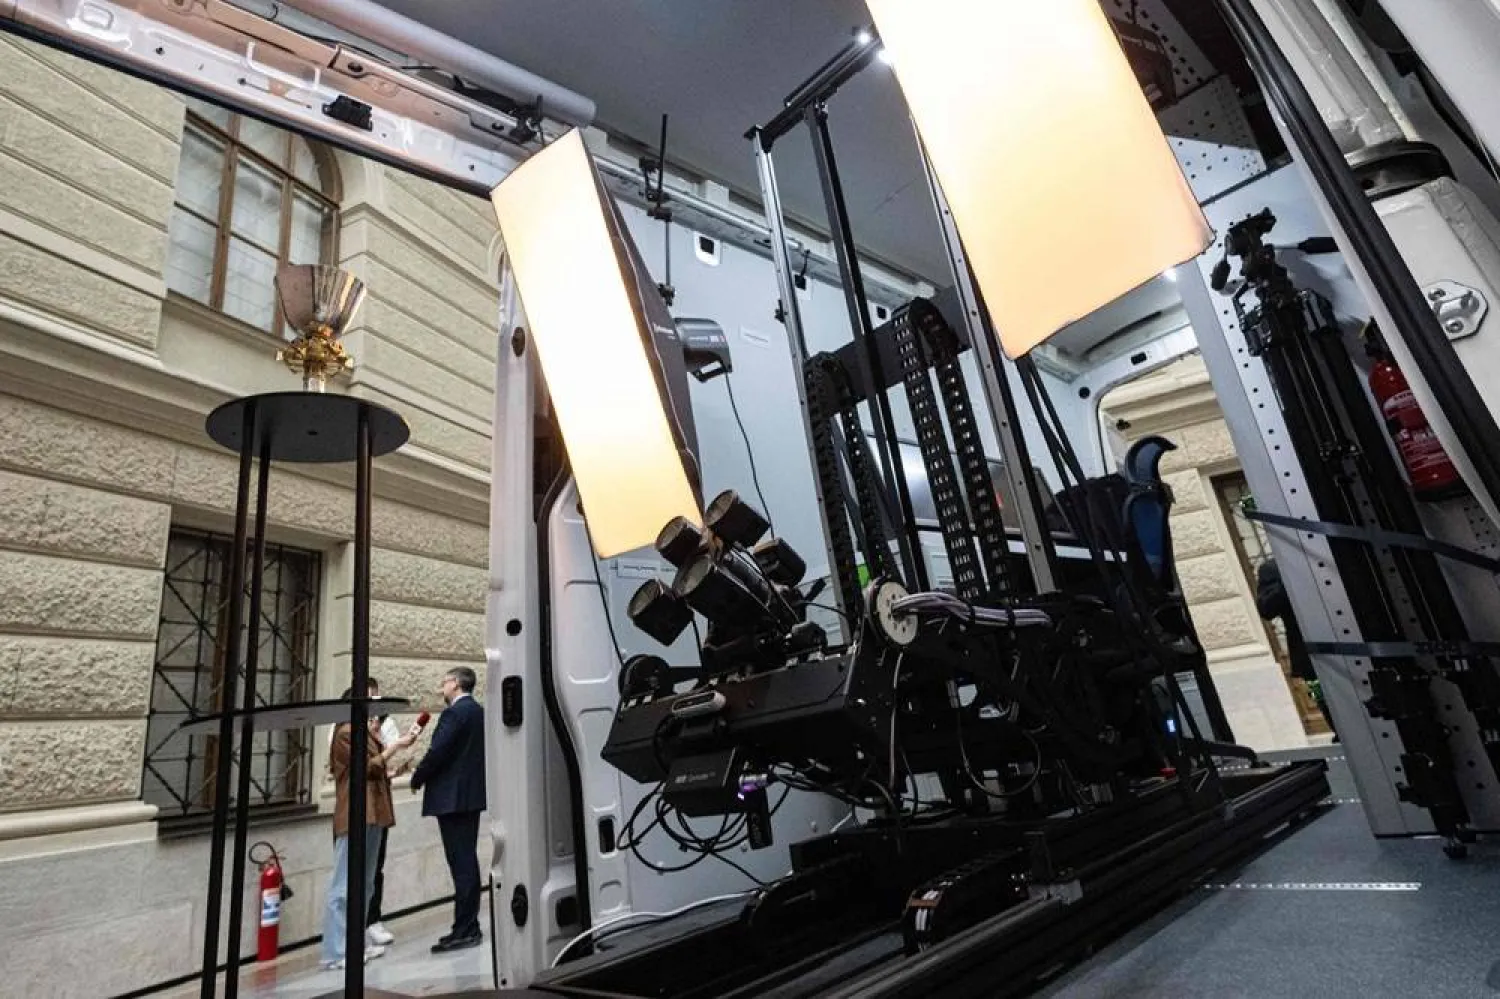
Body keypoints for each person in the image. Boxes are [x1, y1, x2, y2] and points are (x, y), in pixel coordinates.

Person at [321, 691, 417, 971]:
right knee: (343, 885)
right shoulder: (345, 732)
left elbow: (377, 771)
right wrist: (395, 746)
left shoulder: (365, 730)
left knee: (366, 882)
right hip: (355, 813)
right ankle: (336, 951)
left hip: (373, 812)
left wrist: (393, 762)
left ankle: (356, 943)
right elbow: (365, 767)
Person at [410, 666, 487, 952]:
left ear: (455, 684)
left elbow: (438, 752)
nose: (441, 688)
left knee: (462, 864)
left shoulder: (454, 714)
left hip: (453, 799)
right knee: (467, 861)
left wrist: (418, 777)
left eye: (444, 682)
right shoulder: (478, 712)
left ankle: (466, 928)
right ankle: (467, 925)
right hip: (469, 798)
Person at [1255, 557, 1338, 740]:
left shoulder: (1321, 556)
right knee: (1325, 696)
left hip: (1343, 637)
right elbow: (1266, 609)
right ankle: (1341, 732)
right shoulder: (1273, 568)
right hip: (1309, 652)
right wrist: (1287, 580)